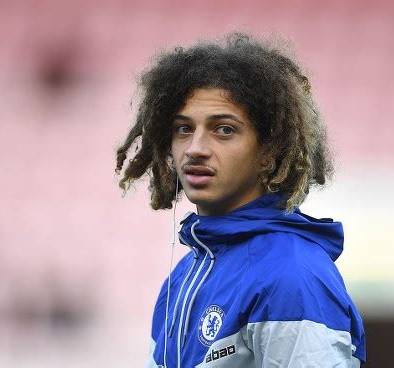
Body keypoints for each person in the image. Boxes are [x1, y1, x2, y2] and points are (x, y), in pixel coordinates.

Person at [115, 32, 366, 367]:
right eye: (183, 129)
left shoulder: (292, 277)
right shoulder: (182, 278)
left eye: (224, 130)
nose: (195, 149)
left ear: (268, 151)